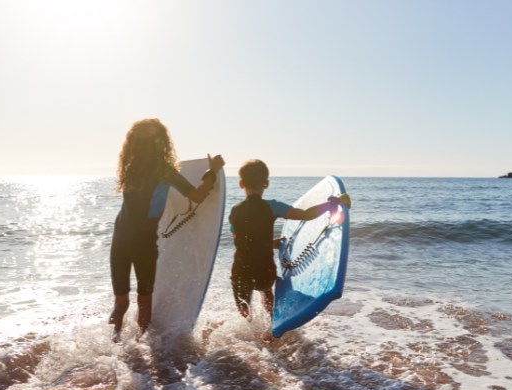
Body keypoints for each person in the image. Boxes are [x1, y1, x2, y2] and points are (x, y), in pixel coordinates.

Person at [109, 118, 224, 341]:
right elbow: (198, 196)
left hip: (120, 238)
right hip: (143, 243)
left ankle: (114, 342)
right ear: (162, 143)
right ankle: (142, 344)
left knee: (121, 301)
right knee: (144, 300)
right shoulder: (164, 171)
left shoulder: (129, 168)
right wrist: (212, 172)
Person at [228, 159, 351, 339]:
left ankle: (249, 338)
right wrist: (332, 203)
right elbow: (305, 215)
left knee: (244, 307)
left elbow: (243, 240)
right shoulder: (272, 206)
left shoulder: (234, 211)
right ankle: (273, 329)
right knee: (266, 291)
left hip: (240, 269)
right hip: (263, 267)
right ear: (266, 184)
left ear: (241, 184)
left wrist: (270, 242)